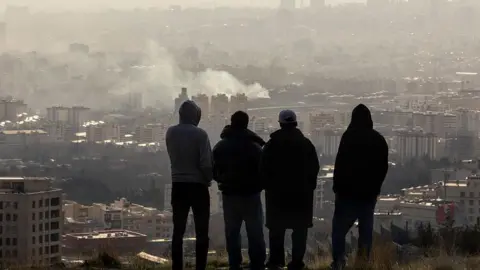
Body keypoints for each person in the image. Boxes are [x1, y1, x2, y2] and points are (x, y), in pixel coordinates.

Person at [330, 104, 389, 270]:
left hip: (346, 194)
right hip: (368, 195)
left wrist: (337, 187)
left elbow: (340, 164)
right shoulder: (378, 139)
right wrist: (376, 187)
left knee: (339, 230)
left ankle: (339, 262)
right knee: (365, 232)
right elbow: (383, 167)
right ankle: (362, 263)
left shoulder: (349, 137)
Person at [261, 110, 320, 270]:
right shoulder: (306, 144)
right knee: (300, 231)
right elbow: (314, 168)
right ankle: (296, 263)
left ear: (280, 123)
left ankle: (276, 262)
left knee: (276, 231)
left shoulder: (271, 145)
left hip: (276, 197)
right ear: (295, 123)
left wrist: (268, 187)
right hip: (301, 197)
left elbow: (263, 169)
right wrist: (309, 187)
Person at [212, 111, 267, 270]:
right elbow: (263, 171)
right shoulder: (255, 147)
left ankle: (234, 263)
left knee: (232, 231)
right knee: (255, 231)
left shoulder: (221, 146)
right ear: (246, 124)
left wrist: (223, 181)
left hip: (230, 195)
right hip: (251, 195)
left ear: (232, 122)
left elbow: (214, 171)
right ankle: (257, 263)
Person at [166, 100, 213, 270]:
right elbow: (206, 164)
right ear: (196, 116)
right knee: (202, 231)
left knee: (178, 230)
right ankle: (200, 266)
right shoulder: (201, 135)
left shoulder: (170, 133)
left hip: (178, 185)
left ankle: (177, 266)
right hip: (198, 186)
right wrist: (209, 179)